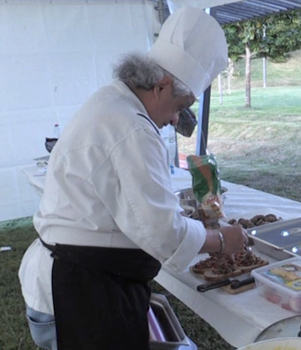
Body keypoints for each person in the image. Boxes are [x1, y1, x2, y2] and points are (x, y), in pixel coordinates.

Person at [18, 7, 248, 350]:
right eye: (180, 105)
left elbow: (126, 205)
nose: (175, 120)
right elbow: (163, 234)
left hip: (70, 279)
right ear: (161, 85)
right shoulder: (132, 128)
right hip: (81, 290)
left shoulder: (111, 102)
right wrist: (220, 238)